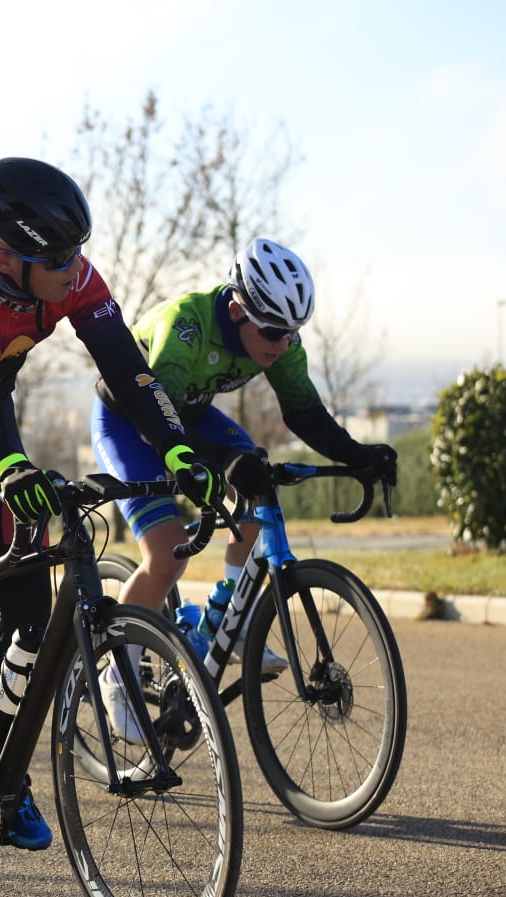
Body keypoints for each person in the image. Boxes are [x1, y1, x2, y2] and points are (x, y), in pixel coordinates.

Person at [0, 156, 223, 851]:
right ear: (1, 252)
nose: (71, 266)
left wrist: (178, 450)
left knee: (30, 609)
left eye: (76, 250)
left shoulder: (72, 278)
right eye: (53, 255)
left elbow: (129, 371)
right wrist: (6, 461)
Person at [91, 236, 398, 737]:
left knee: (258, 488)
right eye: (274, 331)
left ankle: (227, 622)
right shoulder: (187, 325)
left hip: (187, 414)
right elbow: (158, 418)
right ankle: (116, 673)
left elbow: (304, 413)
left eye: (293, 333)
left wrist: (360, 455)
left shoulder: (280, 341)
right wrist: (221, 459)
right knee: (168, 555)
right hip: (131, 420)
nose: (282, 344)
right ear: (237, 309)